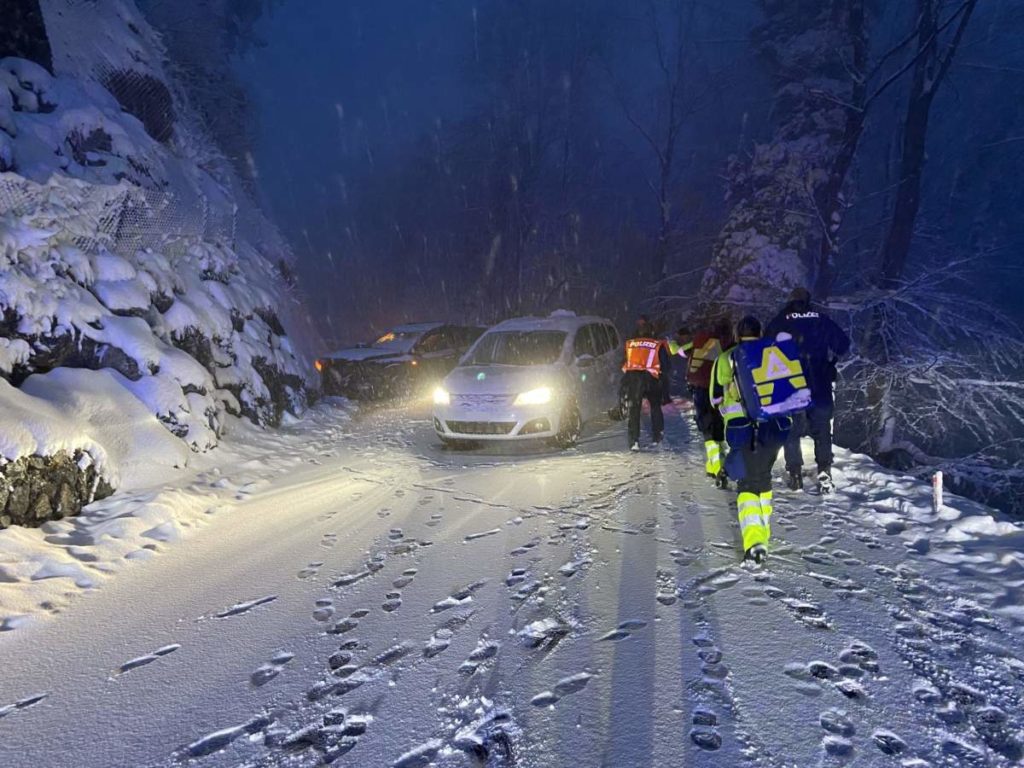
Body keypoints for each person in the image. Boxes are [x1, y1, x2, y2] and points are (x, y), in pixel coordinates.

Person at [711, 315, 791, 564]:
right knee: (763, 478)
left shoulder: (726, 357)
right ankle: (762, 534)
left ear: (737, 334)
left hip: (739, 427)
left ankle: (755, 542)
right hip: (773, 428)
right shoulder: (774, 354)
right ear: (760, 332)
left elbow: (715, 398)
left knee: (746, 484)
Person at [766, 287, 850, 494]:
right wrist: (830, 362)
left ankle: (795, 473)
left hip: (791, 386)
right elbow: (843, 345)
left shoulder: (780, 321)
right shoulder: (821, 320)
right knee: (822, 431)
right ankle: (824, 471)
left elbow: (764, 349)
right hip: (819, 383)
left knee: (792, 430)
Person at [686, 317, 733, 487]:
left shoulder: (702, 339)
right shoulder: (726, 343)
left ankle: (714, 465)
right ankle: (721, 464)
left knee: (707, 429)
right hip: (717, 390)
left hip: (699, 388)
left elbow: (689, 356)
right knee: (719, 427)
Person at [621, 318, 670, 451]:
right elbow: (665, 365)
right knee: (655, 407)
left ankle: (634, 441)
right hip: (652, 379)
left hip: (634, 379)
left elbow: (624, 364)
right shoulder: (656, 344)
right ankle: (658, 436)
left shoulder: (630, 344)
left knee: (634, 410)